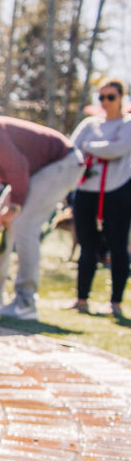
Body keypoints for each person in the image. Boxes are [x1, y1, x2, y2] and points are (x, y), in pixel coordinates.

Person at [0, 114, 86, 320]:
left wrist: (15, 206)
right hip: (34, 171)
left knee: (24, 225)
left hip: (61, 163)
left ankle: (26, 301)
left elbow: (17, 166)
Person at [69, 77, 131, 318]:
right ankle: (81, 298)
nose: (106, 102)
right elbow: (73, 148)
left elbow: (117, 149)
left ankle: (115, 302)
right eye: (102, 97)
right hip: (86, 191)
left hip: (118, 190)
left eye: (111, 97)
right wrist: (100, 146)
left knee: (117, 246)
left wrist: (91, 146)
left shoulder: (127, 124)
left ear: (121, 98)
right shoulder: (89, 123)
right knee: (87, 246)